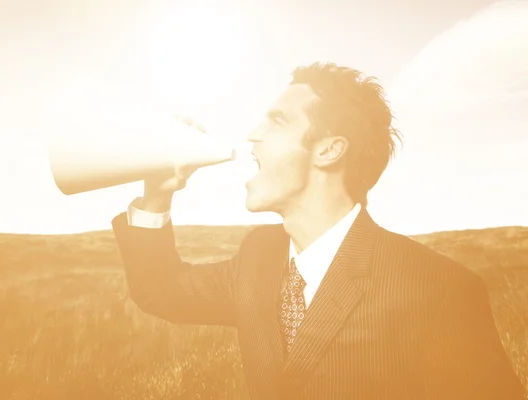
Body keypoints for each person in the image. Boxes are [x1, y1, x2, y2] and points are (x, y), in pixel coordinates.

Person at [111, 62, 525, 399]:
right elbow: (160, 288)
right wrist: (156, 196)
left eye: (276, 121)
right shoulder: (258, 259)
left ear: (329, 149)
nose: (253, 134)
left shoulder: (440, 290)